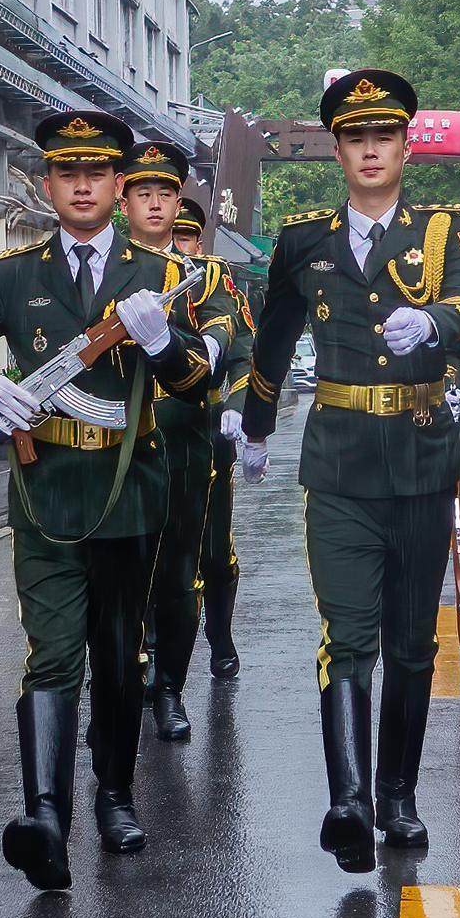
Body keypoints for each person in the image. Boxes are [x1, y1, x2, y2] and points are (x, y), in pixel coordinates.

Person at [0, 109, 209, 891]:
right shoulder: (16, 273)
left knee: (119, 655)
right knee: (53, 650)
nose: (81, 185)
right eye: (66, 173)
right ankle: (46, 814)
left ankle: (114, 795)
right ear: (46, 184)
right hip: (46, 489)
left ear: (119, 187)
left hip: (127, 494)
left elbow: (196, 381)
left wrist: (161, 342)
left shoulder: (159, 276)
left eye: (96, 174)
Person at [238, 68, 460, 870]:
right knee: (347, 638)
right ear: (337, 151)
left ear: (405, 147)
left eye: (384, 137)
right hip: (338, 459)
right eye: (355, 138)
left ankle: (398, 797)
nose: (370, 150)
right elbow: (274, 336)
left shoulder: (442, 232)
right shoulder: (304, 239)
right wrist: (258, 426)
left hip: (419, 459)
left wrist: (436, 323)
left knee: (412, 643)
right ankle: (346, 801)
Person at [121, 140, 241, 741]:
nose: (155, 204)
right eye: (143, 192)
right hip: (112, 437)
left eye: (165, 193)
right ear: (124, 198)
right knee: (120, 567)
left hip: (185, 436)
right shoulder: (104, 266)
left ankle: (169, 685)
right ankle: (123, 672)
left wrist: (187, 349)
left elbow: (221, 332)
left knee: (177, 572)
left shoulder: (206, 275)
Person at [180, 196, 254, 682]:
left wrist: (236, 407)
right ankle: (145, 651)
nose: (174, 243)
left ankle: (220, 635)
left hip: (202, 428)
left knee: (211, 546)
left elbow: (246, 356)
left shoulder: (212, 281)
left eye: (184, 235)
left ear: (198, 241)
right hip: (136, 429)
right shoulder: (127, 271)